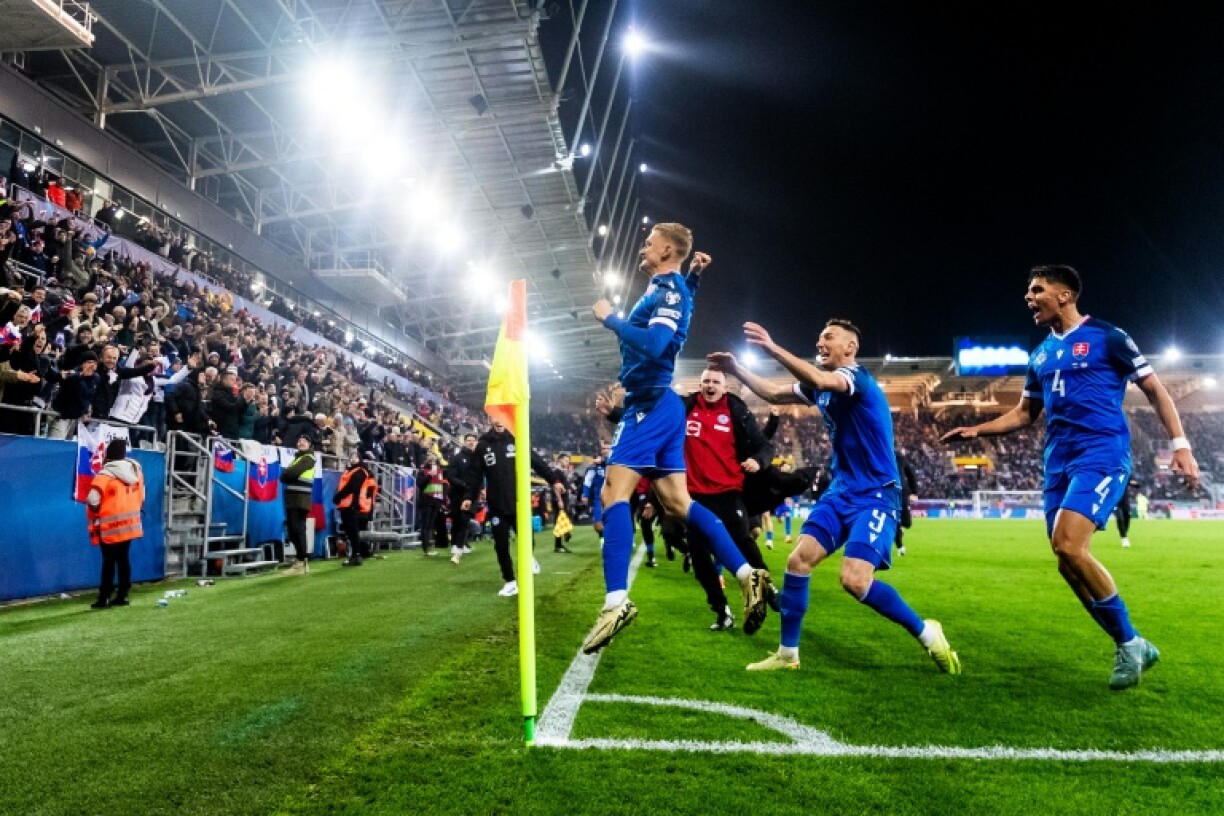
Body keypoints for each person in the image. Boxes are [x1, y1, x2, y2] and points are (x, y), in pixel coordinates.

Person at [941, 264, 1198, 690]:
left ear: (1064, 295)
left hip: (1101, 455)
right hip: (1056, 464)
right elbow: (1025, 414)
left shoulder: (1108, 337)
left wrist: (1181, 445)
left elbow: (1155, 388)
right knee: (1065, 562)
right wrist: (977, 429)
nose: (1028, 297)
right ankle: (1129, 644)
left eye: (1036, 289)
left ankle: (1130, 643)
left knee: (1068, 544)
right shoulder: (1040, 354)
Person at [709, 319, 960, 674]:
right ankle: (787, 654)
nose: (820, 341)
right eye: (820, 336)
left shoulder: (856, 379)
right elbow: (773, 394)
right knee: (798, 562)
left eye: (829, 337)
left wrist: (772, 347)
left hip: (876, 494)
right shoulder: (821, 389)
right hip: (841, 491)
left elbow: (825, 379)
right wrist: (737, 368)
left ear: (850, 348)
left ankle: (927, 633)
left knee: (855, 581)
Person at [584, 223, 772, 654]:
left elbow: (656, 342)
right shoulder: (670, 288)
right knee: (679, 504)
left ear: (667, 250)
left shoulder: (666, 291)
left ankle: (615, 604)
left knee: (614, 495)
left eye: (649, 242)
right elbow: (677, 308)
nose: (642, 246)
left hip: (649, 404)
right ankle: (748, 576)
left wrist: (609, 318)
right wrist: (695, 277)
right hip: (660, 405)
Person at [599, 365, 775, 632]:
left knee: (744, 544)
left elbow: (764, 444)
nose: (710, 385)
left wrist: (758, 461)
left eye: (716, 381)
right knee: (700, 557)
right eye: (706, 381)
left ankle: (768, 592)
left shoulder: (737, 412)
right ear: (701, 384)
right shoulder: (685, 407)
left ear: (725, 387)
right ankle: (721, 610)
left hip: (727, 493)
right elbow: (653, 419)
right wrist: (615, 414)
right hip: (694, 494)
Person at [468, 418, 563, 597]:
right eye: (495, 417)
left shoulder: (517, 439)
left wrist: (554, 480)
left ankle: (529, 558)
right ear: (491, 419)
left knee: (527, 539)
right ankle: (510, 581)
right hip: (496, 505)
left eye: (502, 417)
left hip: (519, 502)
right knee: (501, 545)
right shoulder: (482, 445)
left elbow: (537, 462)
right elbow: (475, 476)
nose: (499, 421)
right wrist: (468, 498)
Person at [86, 439, 145, 609]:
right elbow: (142, 497)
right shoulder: (137, 472)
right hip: (130, 525)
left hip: (110, 527)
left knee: (108, 562)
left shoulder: (104, 475)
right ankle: (123, 594)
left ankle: (104, 598)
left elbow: (92, 499)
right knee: (124, 559)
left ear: (108, 454)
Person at [279, 435, 317, 575]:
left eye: (304, 441)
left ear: (310, 444)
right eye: (299, 441)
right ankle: (301, 559)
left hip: (301, 498)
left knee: (298, 528)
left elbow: (290, 474)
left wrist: (287, 474)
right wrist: (287, 474)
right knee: (293, 530)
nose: (301, 443)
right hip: (293, 498)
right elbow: (284, 476)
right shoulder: (297, 458)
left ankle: (301, 561)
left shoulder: (309, 458)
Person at [335, 453, 378, 567]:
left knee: (353, 532)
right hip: (349, 505)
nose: (353, 459)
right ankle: (358, 554)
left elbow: (352, 487)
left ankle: (356, 555)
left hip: (353, 505)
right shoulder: (353, 471)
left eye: (355, 457)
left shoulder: (359, 471)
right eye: (351, 457)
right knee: (351, 532)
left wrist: (338, 496)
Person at [445, 432, 482, 564]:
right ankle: (457, 544)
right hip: (457, 493)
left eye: (473, 440)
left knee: (465, 518)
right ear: (464, 442)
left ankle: (460, 545)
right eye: (469, 440)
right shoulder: (457, 458)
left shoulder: (478, 458)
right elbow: (449, 475)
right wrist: (462, 484)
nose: (471, 442)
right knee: (457, 519)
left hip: (472, 494)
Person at [894, 450, 919, 556]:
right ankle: (900, 547)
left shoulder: (899, 456)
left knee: (907, 523)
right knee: (894, 522)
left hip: (902, 492)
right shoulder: (880, 455)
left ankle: (900, 531)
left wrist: (914, 492)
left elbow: (911, 474)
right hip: (888, 493)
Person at [1113, 476, 1141, 548]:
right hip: (1114, 501)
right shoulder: (1111, 474)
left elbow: (1137, 485)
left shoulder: (1126, 474)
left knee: (1127, 518)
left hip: (1125, 501)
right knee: (1120, 518)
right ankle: (1124, 538)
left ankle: (1124, 534)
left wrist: (1134, 483)